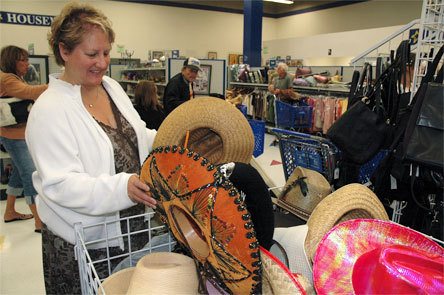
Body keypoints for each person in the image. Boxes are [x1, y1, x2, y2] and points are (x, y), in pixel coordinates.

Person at [25, 3, 157, 294]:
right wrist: (122, 188)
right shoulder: (49, 110)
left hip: (133, 228)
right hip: (87, 245)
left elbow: (134, 136)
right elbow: (61, 184)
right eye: (92, 54)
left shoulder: (111, 87)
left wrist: (164, 139)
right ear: (64, 51)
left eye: (106, 53)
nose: (102, 62)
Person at [0, 45, 47, 233]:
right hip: (14, 137)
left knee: (19, 173)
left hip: (18, 135)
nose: (27, 64)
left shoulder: (13, 78)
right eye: (23, 60)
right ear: (12, 61)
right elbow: (29, 93)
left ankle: (10, 211)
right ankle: (39, 222)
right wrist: (58, 84)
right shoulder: (7, 79)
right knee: (30, 175)